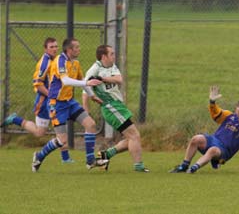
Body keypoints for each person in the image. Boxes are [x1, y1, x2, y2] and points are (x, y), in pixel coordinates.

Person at [31, 37, 108, 172]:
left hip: (70, 102)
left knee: (90, 124)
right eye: (76, 47)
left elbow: (82, 80)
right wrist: (86, 83)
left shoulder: (75, 63)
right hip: (56, 104)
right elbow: (65, 80)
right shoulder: (60, 61)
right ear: (69, 50)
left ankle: (90, 161)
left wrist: (92, 96)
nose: (79, 49)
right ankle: (39, 156)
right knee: (62, 141)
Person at [0, 37, 73, 163]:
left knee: (60, 125)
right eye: (51, 47)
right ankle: (15, 119)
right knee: (40, 132)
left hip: (55, 101)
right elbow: (38, 84)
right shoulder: (44, 63)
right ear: (45, 49)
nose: (55, 49)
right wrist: (51, 95)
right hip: (44, 102)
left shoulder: (57, 59)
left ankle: (65, 158)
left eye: (56, 46)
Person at [82, 44, 149, 173]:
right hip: (110, 106)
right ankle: (138, 166)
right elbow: (85, 90)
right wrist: (86, 112)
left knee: (131, 137)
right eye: (111, 54)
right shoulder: (93, 70)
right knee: (134, 135)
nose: (114, 56)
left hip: (118, 106)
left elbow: (119, 80)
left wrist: (102, 79)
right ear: (103, 56)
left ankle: (107, 154)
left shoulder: (111, 66)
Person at [170, 85, 239, 174]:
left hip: (225, 150)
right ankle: (184, 166)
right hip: (214, 140)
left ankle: (193, 169)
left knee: (212, 150)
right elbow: (216, 113)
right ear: (236, 107)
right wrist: (212, 102)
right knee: (196, 139)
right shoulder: (229, 115)